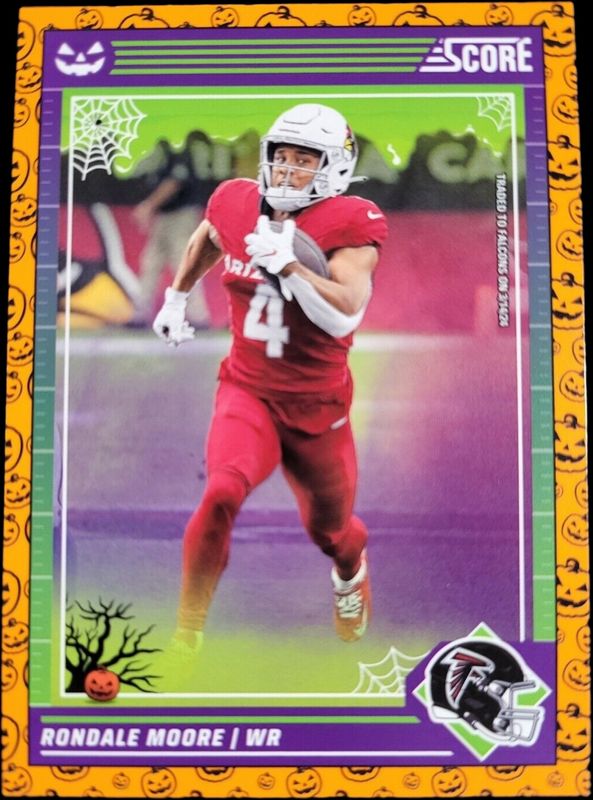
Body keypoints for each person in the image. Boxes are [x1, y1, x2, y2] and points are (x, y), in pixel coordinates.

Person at [153, 104, 388, 658]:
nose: (286, 169)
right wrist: (177, 295)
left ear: (334, 167)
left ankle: (350, 574)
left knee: (331, 533)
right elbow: (211, 234)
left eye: (304, 160)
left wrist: (292, 268)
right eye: (281, 156)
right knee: (221, 490)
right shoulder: (237, 201)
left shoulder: (351, 222)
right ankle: (187, 632)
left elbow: (346, 313)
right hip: (248, 388)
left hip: (317, 405)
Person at [131, 138, 210, 328]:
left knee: (184, 264)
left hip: (181, 216)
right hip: (164, 215)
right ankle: (140, 314)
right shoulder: (161, 152)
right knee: (151, 262)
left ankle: (198, 316)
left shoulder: (180, 149)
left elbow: (174, 183)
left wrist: (149, 206)